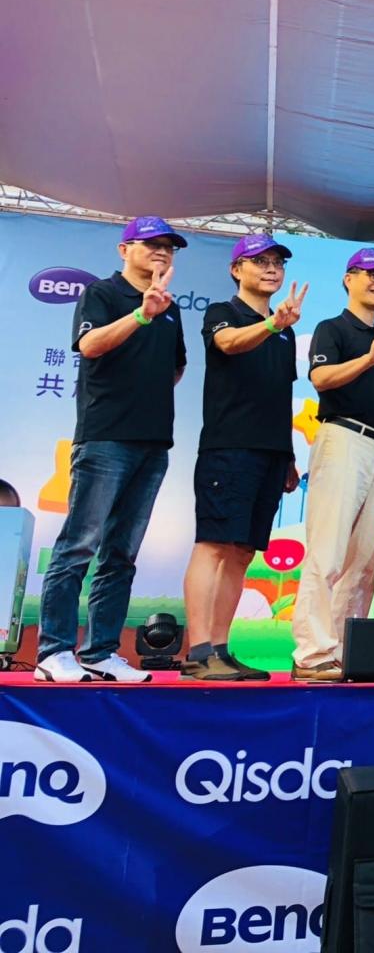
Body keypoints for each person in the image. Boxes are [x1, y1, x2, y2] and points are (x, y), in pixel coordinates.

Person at [36, 217, 189, 683]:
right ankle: (53, 652)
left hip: (153, 444)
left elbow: (175, 368)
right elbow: (90, 345)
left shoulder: (172, 308)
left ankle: (100, 652)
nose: (161, 252)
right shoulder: (101, 293)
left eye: (168, 247)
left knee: (121, 554)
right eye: (151, 244)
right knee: (79, 545)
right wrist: (142, 314)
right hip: (105, 438)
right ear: (125, 250)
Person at [182, 234, 305, 681]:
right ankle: (197, 652)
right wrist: (272, 325)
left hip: (271, 453)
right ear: (237, 270)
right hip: (229, 447)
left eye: (277, 262)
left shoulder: (285, 330)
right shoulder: (224, 312)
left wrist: (288, 455)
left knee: (241, 553)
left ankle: (221, 648)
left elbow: (279, 394)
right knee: (214, 544)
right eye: (260, 261)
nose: (271, 269)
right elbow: (230, 343)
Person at [292, 247, 374, 681]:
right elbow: (321, 379)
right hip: (342, 437)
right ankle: (311, 653)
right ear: (348, 278)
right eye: (372, 274)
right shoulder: (332, 328)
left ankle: (342, 652)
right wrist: (369, 359)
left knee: (363, 562)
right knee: (328, 552)